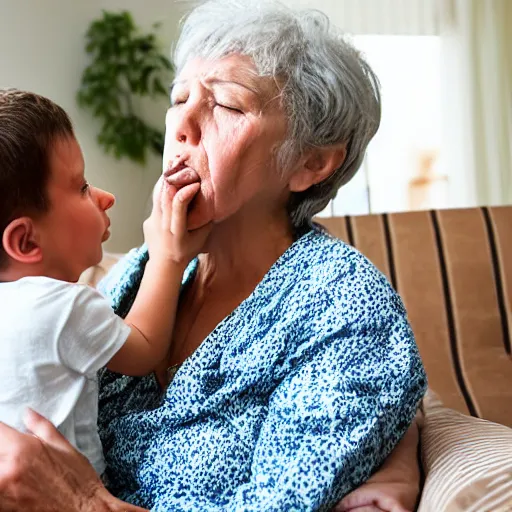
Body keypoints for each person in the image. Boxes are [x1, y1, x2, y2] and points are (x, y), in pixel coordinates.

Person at [0, 1, 427, 510]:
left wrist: (85, 503)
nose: (182, 126)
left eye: (226, 104)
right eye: (179, 97)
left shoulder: (343, 305)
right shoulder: (136, 277)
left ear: (311, 162)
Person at [0, 89, 210, 474]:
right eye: (81, 187)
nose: (106, 197)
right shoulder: (65, 306)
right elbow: (144, 349)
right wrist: (166, 256)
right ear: (26, 241)